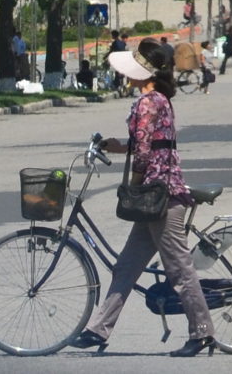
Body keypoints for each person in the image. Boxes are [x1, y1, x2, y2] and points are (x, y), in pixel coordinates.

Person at [72, 47, 216, 357]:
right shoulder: (159, 100)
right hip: (157, 197)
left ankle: (202, 332)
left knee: (180, 270)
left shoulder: (148, 102)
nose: (125, 74)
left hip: (160, 197)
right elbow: (148, 143)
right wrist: (116, 146)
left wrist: (133, 188)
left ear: (144, 73)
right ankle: (98, 329)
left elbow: (144, 155)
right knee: (126, 266)